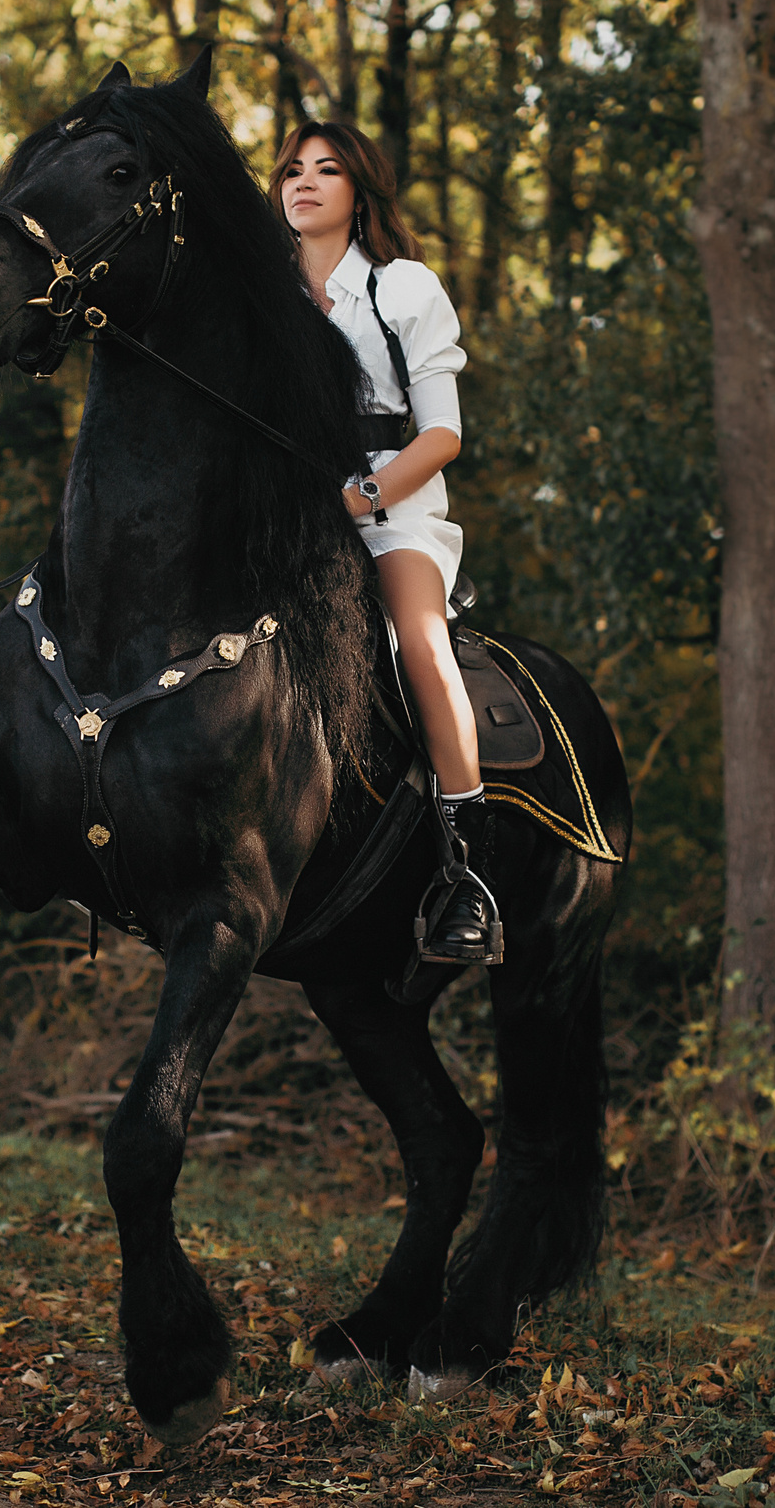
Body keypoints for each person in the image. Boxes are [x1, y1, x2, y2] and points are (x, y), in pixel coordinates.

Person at [270, 121, 494, 959]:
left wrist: (355, 500)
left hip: (391, 511)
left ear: (358, 190)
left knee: (418, 646)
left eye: (326, 169)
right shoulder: (267, 298)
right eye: (292, 170)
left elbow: (441, 437)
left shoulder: (404, 287)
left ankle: (469, 870)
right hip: (289, 517)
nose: (305, 182)